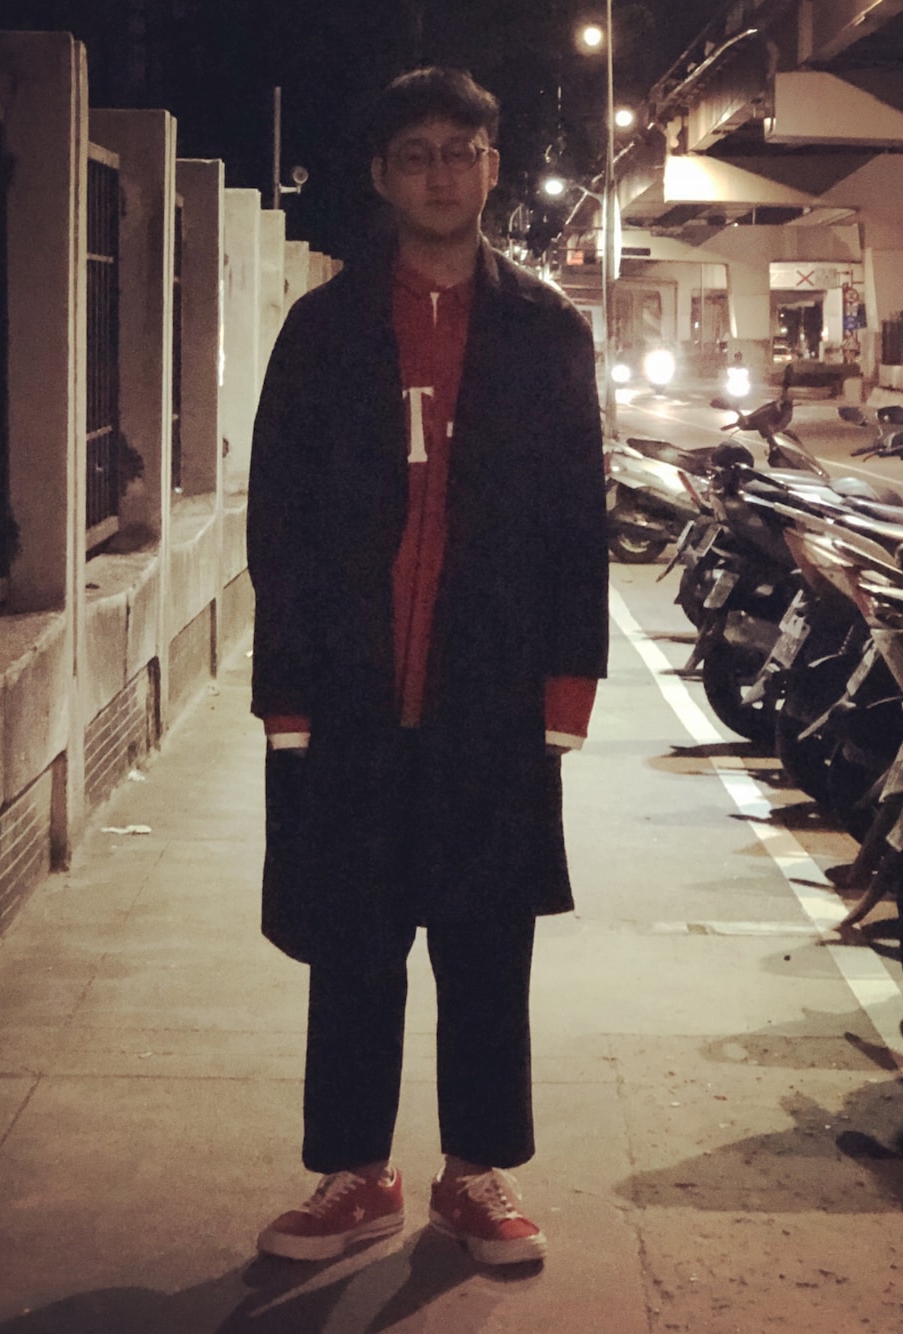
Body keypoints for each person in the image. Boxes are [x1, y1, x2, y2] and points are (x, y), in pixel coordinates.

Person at [246, 65, 608, 1267]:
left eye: (461, 149)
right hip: (351, 691)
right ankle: (355, 1171)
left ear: (492, 167)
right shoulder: (324, 328)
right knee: (352, 940)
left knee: (486, 938)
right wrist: (286, 695)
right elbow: (278, 518)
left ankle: (476, 1169)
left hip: (490, 693)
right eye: (416, 154)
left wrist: (566, 687)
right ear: (380, 175)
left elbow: (578, 518)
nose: (441, 172)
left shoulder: (546, 329)